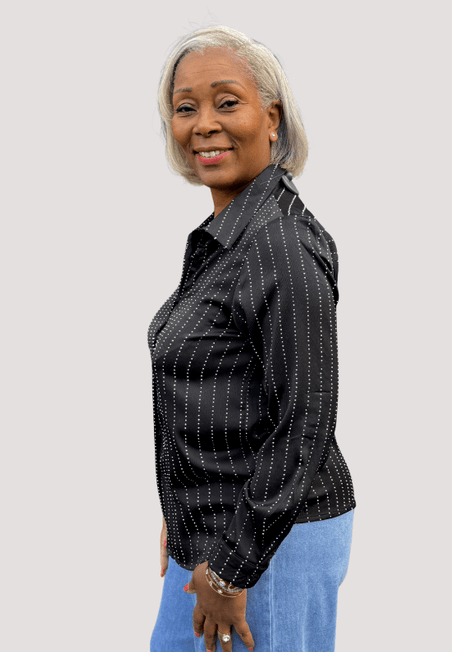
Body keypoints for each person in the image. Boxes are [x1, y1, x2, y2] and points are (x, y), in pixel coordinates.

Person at [148, 25, 356, 652]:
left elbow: (305, 420)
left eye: (227, 102)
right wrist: (184, 512)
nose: (204, 124)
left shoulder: (280, 245)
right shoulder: (226, 237)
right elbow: (228, 392)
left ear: (273, 117)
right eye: (186, 108)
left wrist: (235, 566)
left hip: (268, 545)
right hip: (216, 534)